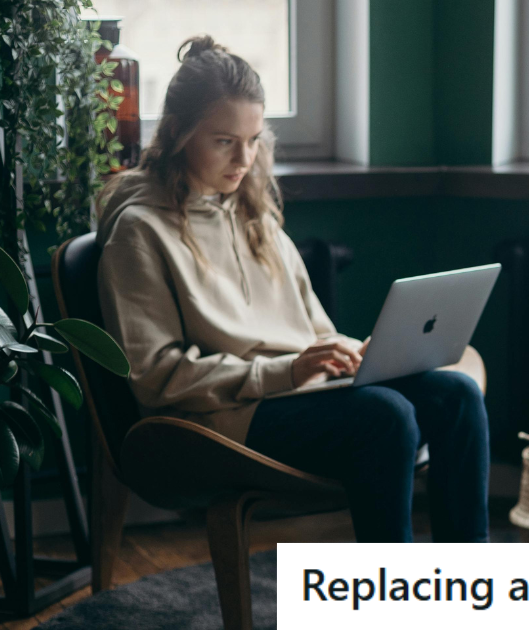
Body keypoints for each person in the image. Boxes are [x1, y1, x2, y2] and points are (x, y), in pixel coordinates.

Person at [95, 36, 489, 543]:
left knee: (455, 395)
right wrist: (289, 369)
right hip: (220, 421)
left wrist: (350, 355)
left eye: (254, 139)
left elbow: (312, 329)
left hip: (296, 393)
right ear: (176, 133)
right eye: (224, 141)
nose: (244, 158)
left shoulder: (252, 213)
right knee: (385, 416)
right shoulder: (140, 231)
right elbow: (158, 378)